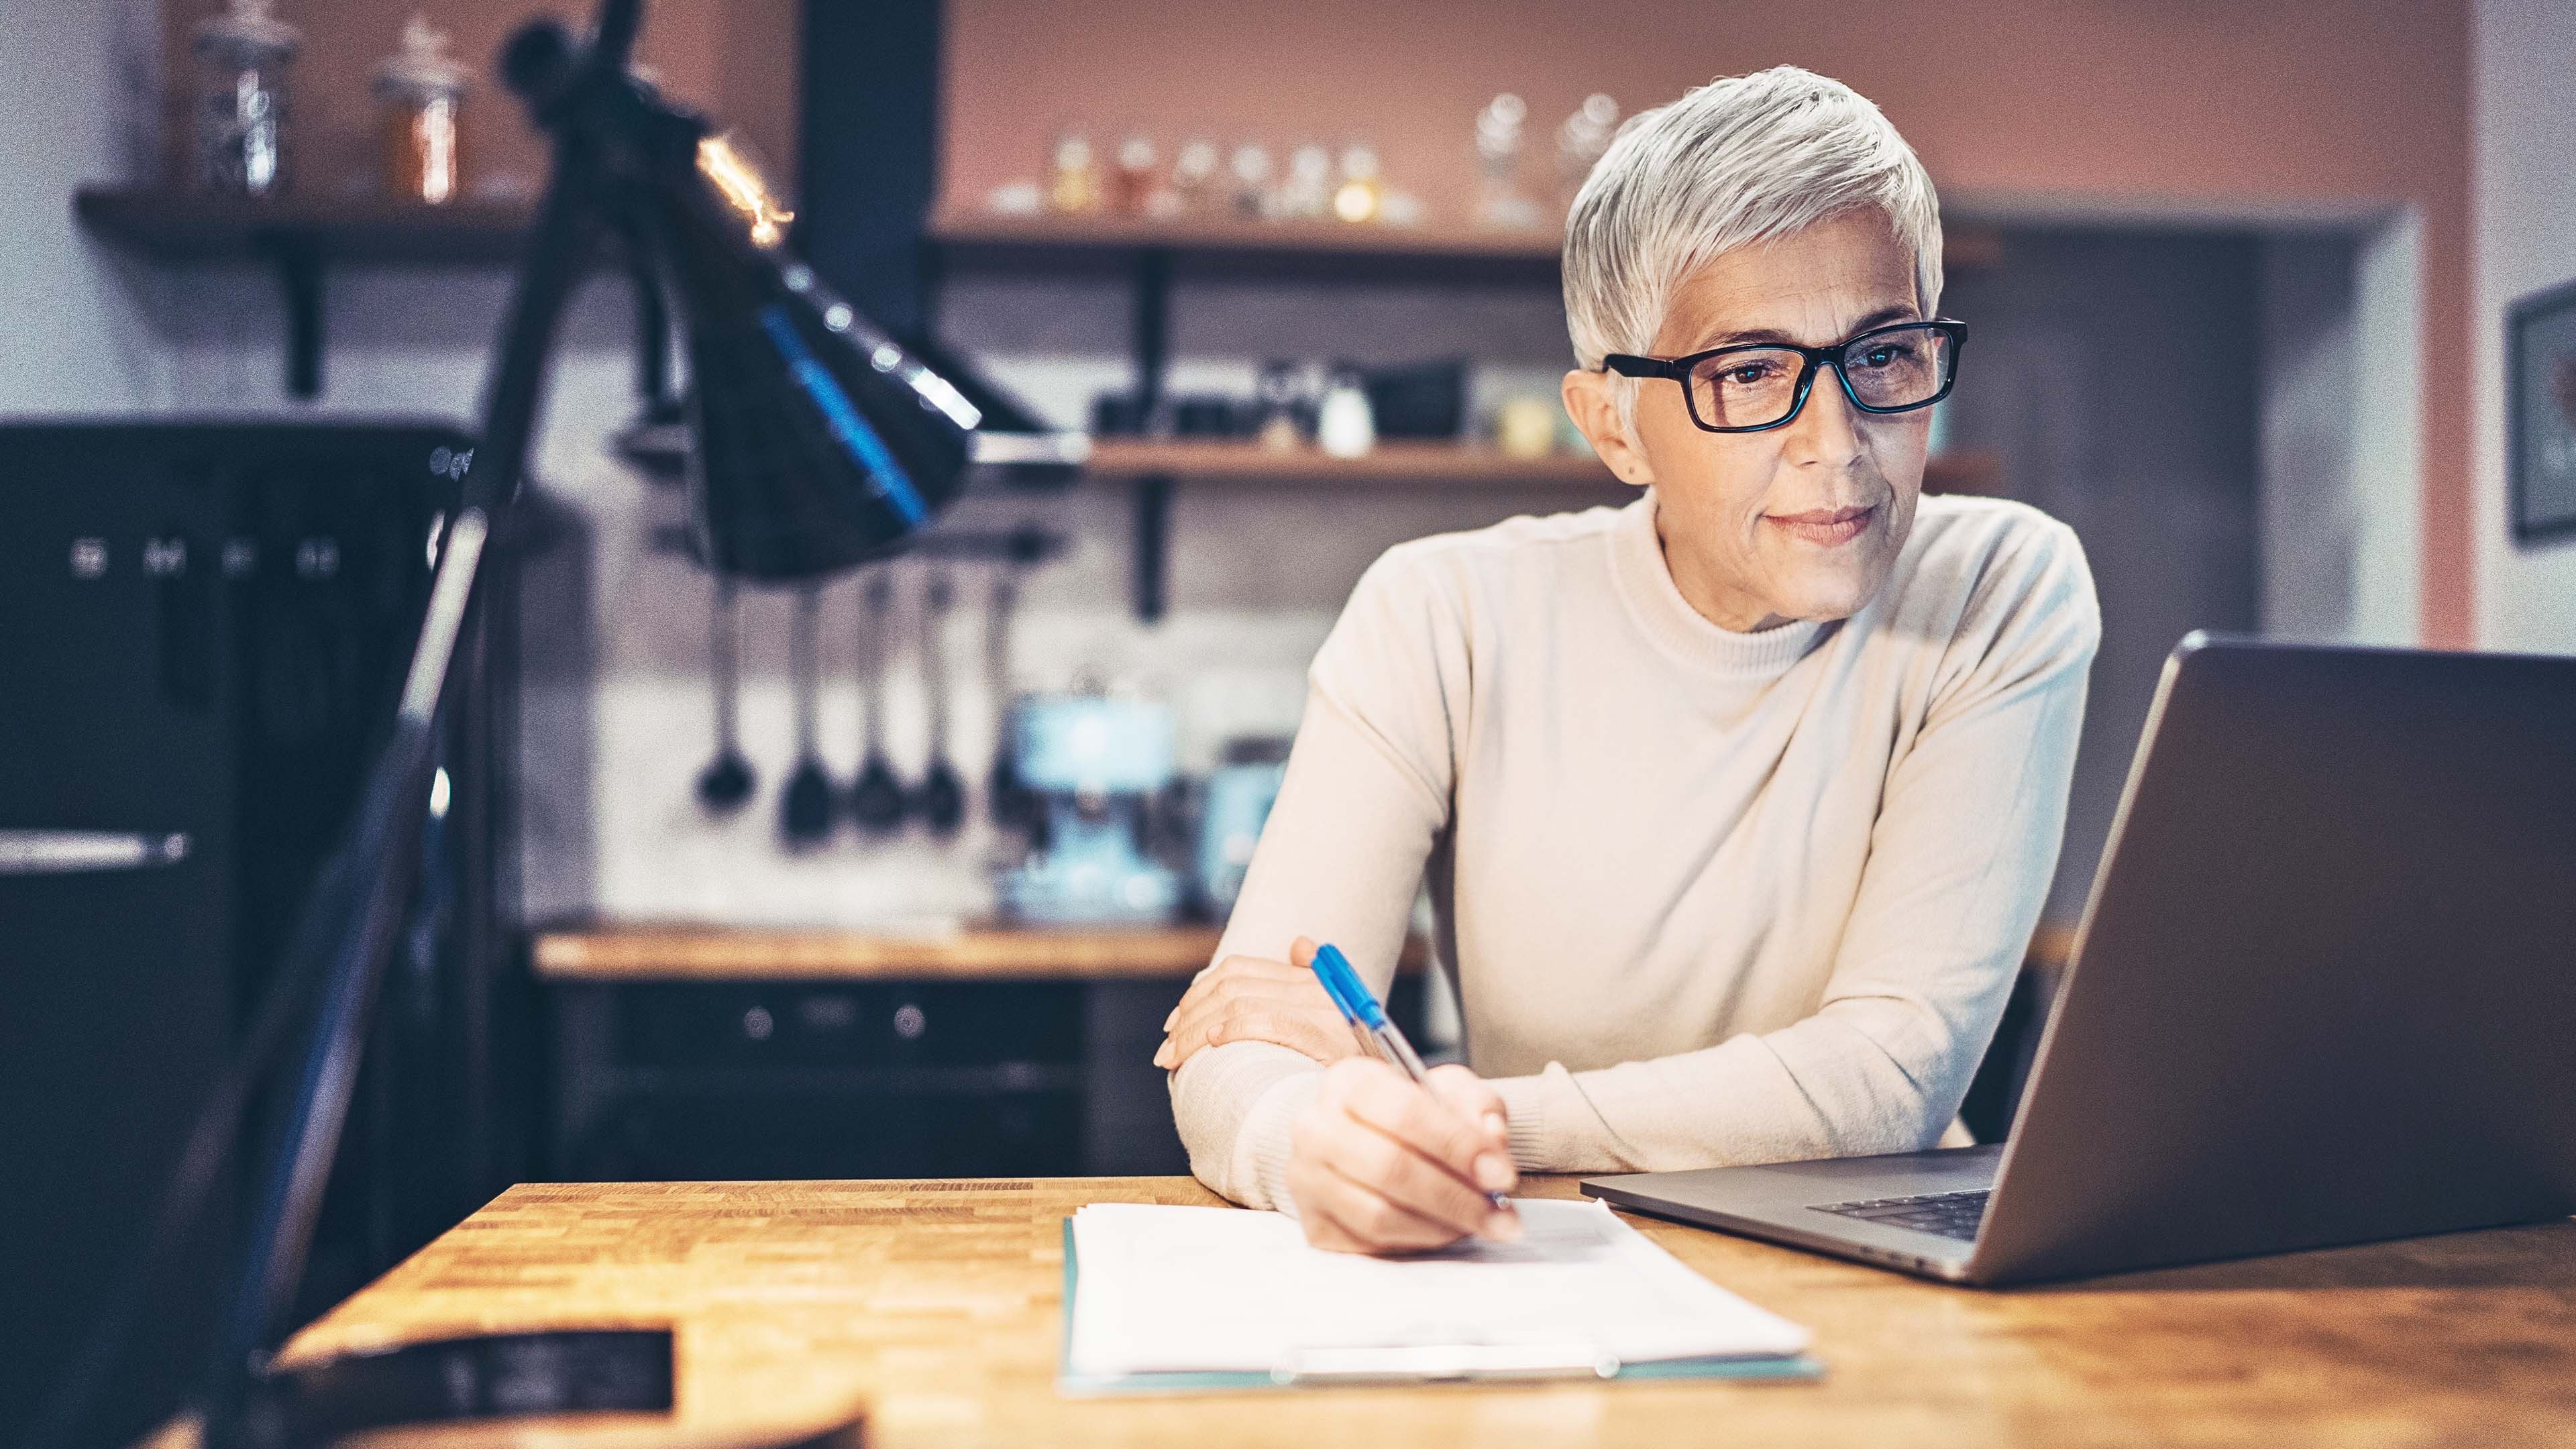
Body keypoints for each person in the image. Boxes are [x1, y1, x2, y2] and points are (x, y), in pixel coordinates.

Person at [1156, 65, 2101, 1255]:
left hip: (1880, 1277)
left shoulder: (1999, 589)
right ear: (1612, 424)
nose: (1838, 441)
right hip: (1533, 1263)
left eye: (1886, 354)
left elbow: (1887, 1077)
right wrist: (1315, 1144)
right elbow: (1241, 1044)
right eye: (1749, 372)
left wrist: (1476, 1117)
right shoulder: (1440, 612)